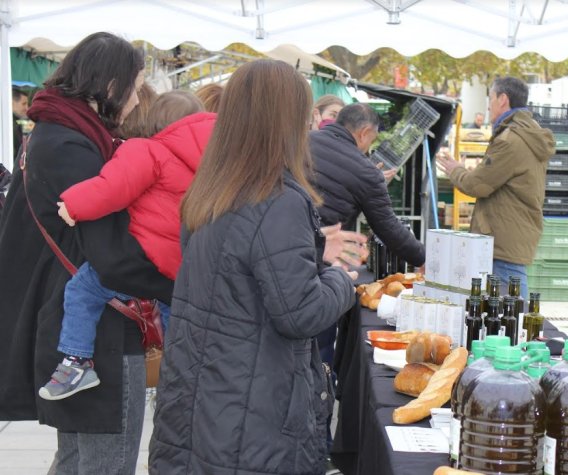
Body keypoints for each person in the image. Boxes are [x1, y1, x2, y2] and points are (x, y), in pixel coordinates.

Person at [148, 59, 357, 474]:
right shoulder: (278, 200)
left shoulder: (210, 190)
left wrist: (314, 252)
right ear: (288, 121)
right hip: (250, 415)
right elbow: (300, 312)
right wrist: (340, 280)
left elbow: (240, 274)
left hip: (201, 399)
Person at [0, 32, 174, 474]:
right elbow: (111, 252)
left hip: (77, 321)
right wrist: (180, 283)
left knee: (80, 459)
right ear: (110, 85)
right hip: (98, 330)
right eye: (134, 85)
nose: (136, 99)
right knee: (105, 463)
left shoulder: (58, 133)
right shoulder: (70, 145)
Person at [38, 90, 213, 401]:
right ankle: (185, 379)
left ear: (155, 121)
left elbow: (111, 188)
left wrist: (73, 205)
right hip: (185, 260)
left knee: (83, 289)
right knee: (178, 319)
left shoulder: (148, 150)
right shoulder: (213, 161)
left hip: (144, 253)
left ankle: (75, 363)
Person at [310, 102, 424, 360]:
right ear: (363, 133)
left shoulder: (302, 142)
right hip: (323, 265)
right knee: (320, 342)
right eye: (371, 139)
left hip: (285, 251)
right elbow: (388, 227)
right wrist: (422, 258)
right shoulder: (363, 170)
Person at [437, 77, 554, 298]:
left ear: (503, 99)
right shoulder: (528, 131)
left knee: (510, 310)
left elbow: (478, 185)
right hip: (514, 233)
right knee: (511, 308)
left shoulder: (511, 140)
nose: (488, 106)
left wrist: (455, 170)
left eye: (490, 99)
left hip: (504, 238)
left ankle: (522, 332)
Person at [12, 86, 28, 163]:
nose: (27, 108)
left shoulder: (18, 122)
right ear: (12, 103)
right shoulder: (12, 126)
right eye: (24, 104)